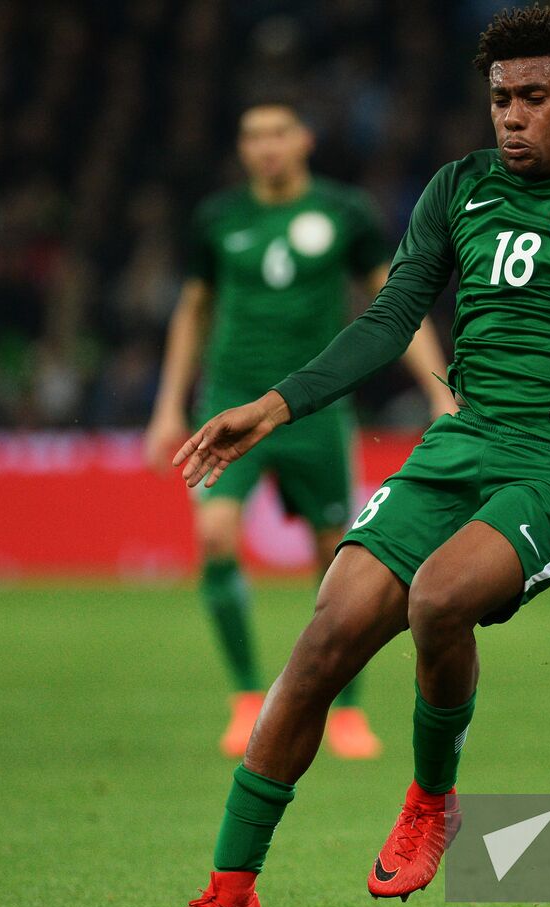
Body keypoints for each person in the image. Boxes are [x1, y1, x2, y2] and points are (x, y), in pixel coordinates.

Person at [134, 5, 550, 907]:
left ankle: (431, 799)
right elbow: (387, 318)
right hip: (460, 444)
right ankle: (230, 891)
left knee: (438, 599)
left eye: (533, 98)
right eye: (499, 99)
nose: (511, 117)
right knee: (324, 639)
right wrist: (276, 404)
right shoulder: (458, 188)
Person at [143, 101, 455, 760]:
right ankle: (246, 699)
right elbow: (192, 310)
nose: (266, 147)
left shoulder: (345, 214)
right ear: (241, 146)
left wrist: (437, 389)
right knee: (214, 535)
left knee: (336, 559)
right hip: (230, 401)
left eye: (278, 133)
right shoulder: (218, 219)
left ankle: (345, 709)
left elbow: (393, 302)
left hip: (313, 407)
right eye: (253, 135)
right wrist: (168, 407)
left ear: (304, 139)